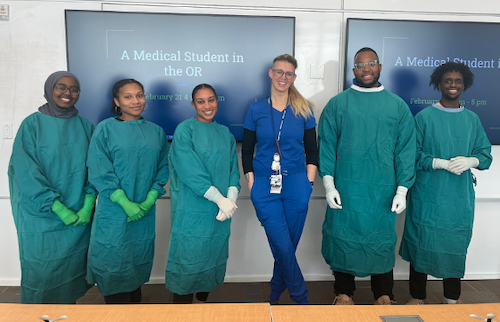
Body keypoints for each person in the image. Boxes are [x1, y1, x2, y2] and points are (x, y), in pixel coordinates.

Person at [318, 47, 416, 305]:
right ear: (354, 70)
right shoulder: (339, 104)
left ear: (380, 67)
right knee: (344, 237)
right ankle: (343, 293)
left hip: (382, 191)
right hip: (347, 188)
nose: (367, 68)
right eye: (361, 65)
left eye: (371, 63)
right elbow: (326, 146)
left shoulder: (397, 106)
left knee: (381, 239)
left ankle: (383, 294)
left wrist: (402, 189)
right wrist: (329, 184)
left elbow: (406, 150)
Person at [400, 62, 492, 305]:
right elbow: (412, 154)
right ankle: (417, 297)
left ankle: (452, 299)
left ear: (465, 85)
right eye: (448, 81)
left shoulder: (472, 119)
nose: (453, 85)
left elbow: (485, 156)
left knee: (454, 244)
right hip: (427, 195)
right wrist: (438, 163)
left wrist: (471, 160)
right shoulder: (424, 117)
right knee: (421, 242)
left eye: (458, 81)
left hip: (458, 198)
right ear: (438, 84)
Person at [8, 71, 96, 303]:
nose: (68, 93)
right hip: (42, 218)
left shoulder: (86, 126)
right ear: (49, 89)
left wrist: (87, 205)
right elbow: (26, 172)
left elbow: (95, 168)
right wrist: (58, 208)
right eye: (61, 87)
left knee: (72, 276)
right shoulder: (32, 125)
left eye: (74, 89)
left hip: (78, 217)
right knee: (42, 275)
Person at [241, 54, 318, 305]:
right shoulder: (256, 109)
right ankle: (300, 298)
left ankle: (275, 291)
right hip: (265, 183)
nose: (283, 77)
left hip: (297, 183)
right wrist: (251, 181)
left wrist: (309, 183)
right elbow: (247, 149)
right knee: (282, 245)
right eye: (279, 72)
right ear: (271, 74)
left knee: (286, 246)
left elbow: (312, 150)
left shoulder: (304, 108)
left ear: (294, 78)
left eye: (288, 73)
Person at [86, 79, 169, 304]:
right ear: (117, 101)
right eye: (128, 96)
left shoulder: (156, 132)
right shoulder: (105, 129)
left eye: (139, 95)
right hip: (114, 213)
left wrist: (151, 196)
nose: (135, 101)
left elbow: (162, 167)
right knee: (114, 266)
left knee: (135, 266)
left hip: (144, 212)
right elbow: (99, 168)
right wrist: (123, 201)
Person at [165, 83, 240, 304]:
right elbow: (190, 170)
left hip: (221, 212)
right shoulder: (185, 130)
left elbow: (232, 167)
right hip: (192, 209)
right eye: (201, 101)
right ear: (193, 104)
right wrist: (219, 199)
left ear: (217, 101)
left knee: (211, 255)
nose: (207, 105)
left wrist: (231, 199)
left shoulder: (224, 132)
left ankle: (202, 304)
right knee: (188, 260)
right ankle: (181, 313)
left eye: (211, 100)